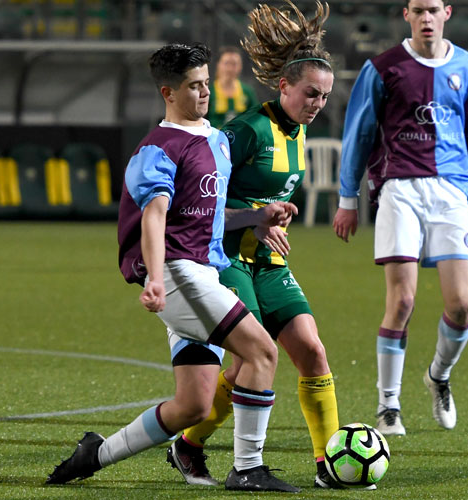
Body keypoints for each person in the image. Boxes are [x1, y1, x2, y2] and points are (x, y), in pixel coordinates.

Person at [45, 42, 300, 493]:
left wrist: (258, 218)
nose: (205, 93)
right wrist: (157, 279)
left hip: (203, 274)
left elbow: (214, 216)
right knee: (261, 353)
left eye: (205, 84)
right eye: (193, 86)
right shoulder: (158, 148)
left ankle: (94, 454)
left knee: (193, 406)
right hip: (180, 276)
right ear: (168, 92)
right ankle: (248, 467)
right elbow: (155, 215)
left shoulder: (217, 140)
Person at [165, 1, 349, 490]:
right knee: (252, 356)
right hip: (227, 260)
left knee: (312, 351)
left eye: (325, 97)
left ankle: (329, 464)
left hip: (267, 262)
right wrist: (256, 220)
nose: (317, 104)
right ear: (283, 85)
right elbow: (202, 206)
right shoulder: (244, 131)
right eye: (310, 93)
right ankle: (218, 455)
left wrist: (270, 224)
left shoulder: (301, 130)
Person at [333, 0, 468, 437]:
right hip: (399, 188)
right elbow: (357, 131)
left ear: (447, 12)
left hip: (452, 192)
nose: (426, 18)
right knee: (402, 301)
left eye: (433, 9)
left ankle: (437, 376)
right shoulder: (383, 67)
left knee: (463, 307)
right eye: (418, 10)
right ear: (406, 15)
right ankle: (389, 405)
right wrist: (346, 196)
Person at [206, 46, 259, 128]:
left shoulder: (247, 92)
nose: (230, 69)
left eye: (234, 64)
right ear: (218, 65)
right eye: (227, 63)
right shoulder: (209, 92)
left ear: (240, 66)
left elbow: (256, 119)